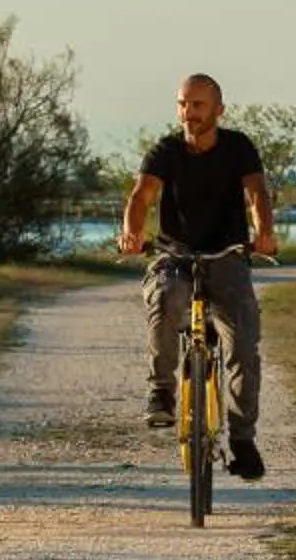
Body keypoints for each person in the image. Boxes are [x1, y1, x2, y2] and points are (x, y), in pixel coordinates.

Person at [118, 71, 277, 480]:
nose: (188, 113)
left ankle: (242, 438)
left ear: (218, 110)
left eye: (198, 105)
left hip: (226, 256)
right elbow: (142, 196)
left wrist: (264, 234)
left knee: (242, 344)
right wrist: (132, 233)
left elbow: (256, 193)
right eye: (183, 104)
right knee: (166, 296)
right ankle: (161, 392)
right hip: (176, 253)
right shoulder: (165, 151)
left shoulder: (238, 147)